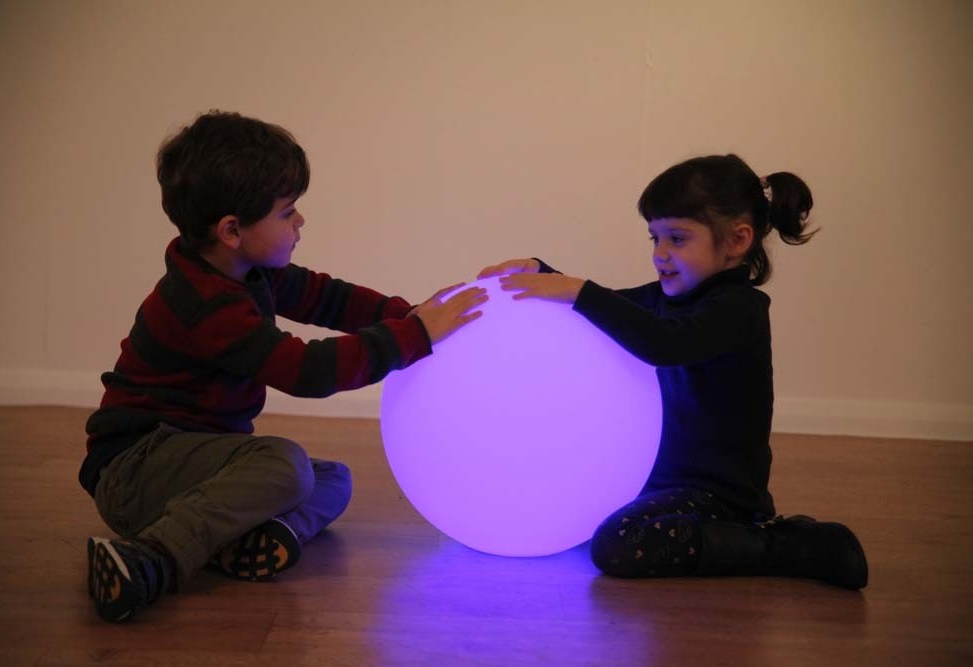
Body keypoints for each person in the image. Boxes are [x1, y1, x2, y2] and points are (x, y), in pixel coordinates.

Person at [82, 110, 488, 622]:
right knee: (284, 465)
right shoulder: (204, 304)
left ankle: (254, 539)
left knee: (332, 479)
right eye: (287, 212)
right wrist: (415, 335)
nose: (300, 222)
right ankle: (151, 559)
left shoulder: (249, 271)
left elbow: (328, 298)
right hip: (134, 469)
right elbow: (306, 370)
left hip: (195, 457)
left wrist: (409, 314)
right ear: (232, 230)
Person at [478, 154, 867, 589]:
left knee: (617, 544)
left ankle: (782, 543)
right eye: (655, 238)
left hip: (716, 496)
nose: (660, 255)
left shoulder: (739, 309)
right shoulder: (666, 298)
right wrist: (543, 274)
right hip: (651, 481)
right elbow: (609, 311)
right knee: (565, 506)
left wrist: (576, 290)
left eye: (677, 239)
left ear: (737, 240)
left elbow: (664, 344)